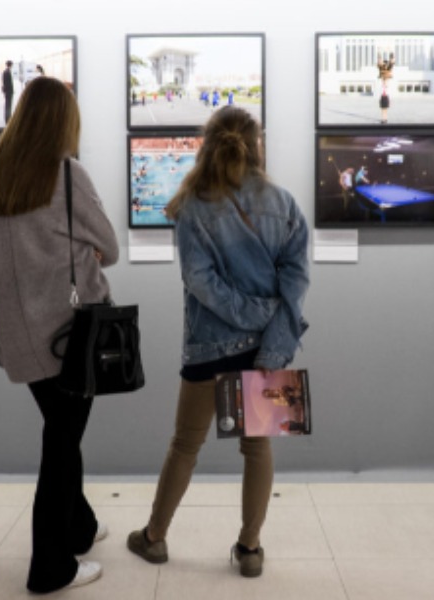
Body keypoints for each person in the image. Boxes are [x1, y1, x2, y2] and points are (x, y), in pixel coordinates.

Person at [126, 106, 310, 578]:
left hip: (210, 348)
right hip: (268, 348)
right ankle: (249, 549)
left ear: (207, 143)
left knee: (185, 444)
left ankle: (154, 538)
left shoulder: (192, 207)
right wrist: (269, 324)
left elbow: (200, 282)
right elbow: (296, 278)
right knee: (258, 449)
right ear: (257, 143)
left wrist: (247, 315)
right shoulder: (284, 202)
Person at [0, 76, 116, 594]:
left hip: (18, 334)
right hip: (68, 334)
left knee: (61, 430)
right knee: (60, 442)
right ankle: (50, 567)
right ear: (63, 120)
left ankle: (79, 527)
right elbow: (110, 246)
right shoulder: (67, 176)